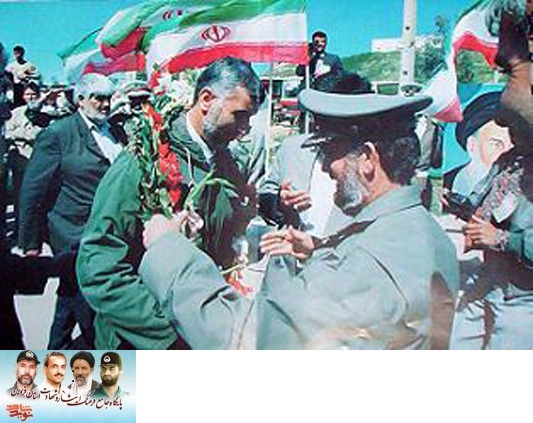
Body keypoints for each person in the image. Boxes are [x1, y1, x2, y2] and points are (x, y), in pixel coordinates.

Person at [137, 90, 460, 350]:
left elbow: (249, 338)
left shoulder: (368, 265)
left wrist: (169, 250)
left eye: (330, 153)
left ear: (367, 159)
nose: (325, 168)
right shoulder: (423, 233)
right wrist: (319, 252)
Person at [76, 57, 263, 350]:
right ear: (206, 99)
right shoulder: (143, 162)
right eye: (239, 116)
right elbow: (99, 266)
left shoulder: (226, 164)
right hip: (144, 341)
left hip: (199, 331)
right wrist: (168, 334)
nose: (245, 128)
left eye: (249, 118)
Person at [18, 73, 126, 350]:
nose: (105, 104)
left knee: (70, 294)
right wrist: (30, 242)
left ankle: (57, 351)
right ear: (80, 100)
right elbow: (32, 190)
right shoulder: (58, 134)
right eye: (98, 98)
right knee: (87, 302)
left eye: (108, 98)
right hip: (73, 231)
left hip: (108, 228)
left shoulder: (116, 131)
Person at [449, 2, 533, 349]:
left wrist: (500, 239)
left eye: (510, 73)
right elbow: (488, 201)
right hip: (488, 283)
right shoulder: (512, 160)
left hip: (521, 299)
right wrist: (465, 209)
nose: (500, 121)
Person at [5, 81, 51, 239]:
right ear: (23, 96)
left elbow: (41, 134)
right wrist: (26, 134)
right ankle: (20, 230)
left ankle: (37, 231)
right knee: (19, 197)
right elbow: (8, 133)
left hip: (38, 161)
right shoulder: (15, 113)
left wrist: (22, 134)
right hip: (19, 162)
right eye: (27, 94)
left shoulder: (45, 114)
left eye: (33, 94)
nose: (30, 97)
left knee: (38, 197)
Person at [445, 91, 513, 196]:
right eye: (496, 144)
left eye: (515, 146)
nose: (508, 154)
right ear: (472, 146)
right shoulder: (445, 186)